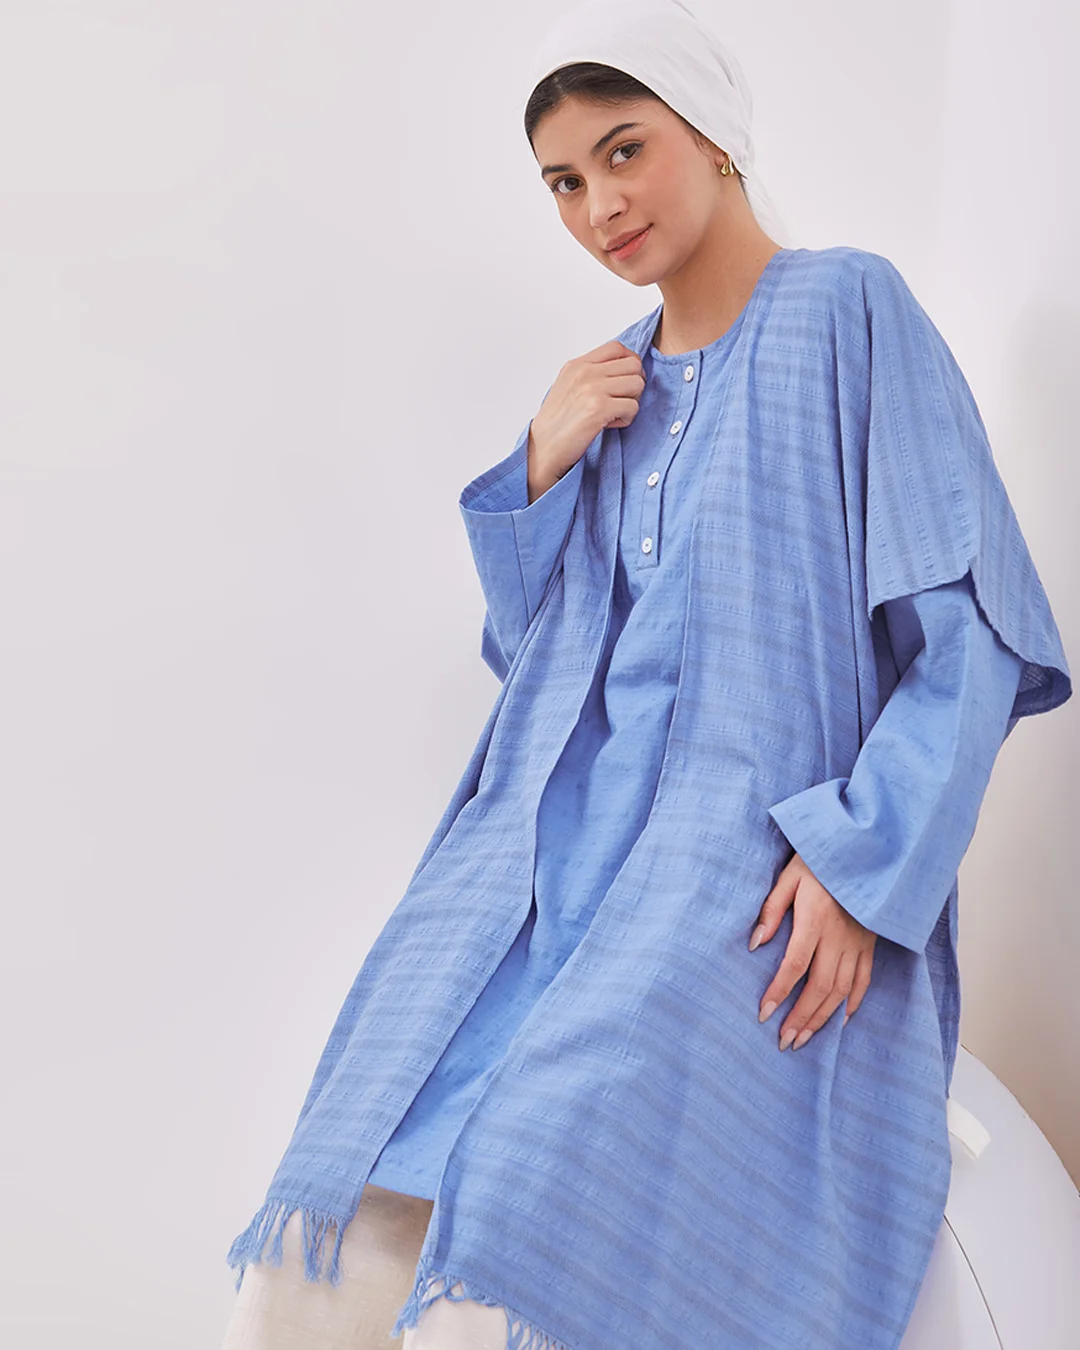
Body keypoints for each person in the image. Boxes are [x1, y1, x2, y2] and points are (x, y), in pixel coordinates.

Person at [220, 3, 1072, 1348]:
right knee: (335, 1205)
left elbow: (968, 635)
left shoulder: (848, 310)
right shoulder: (611, 390)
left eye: (624, 151)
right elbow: (543, 673)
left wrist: (858, 865)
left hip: (734, 873)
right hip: (544, 865)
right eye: (564, 181)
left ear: (714, 137)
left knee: (532, 1200)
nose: (599, 205)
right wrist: (540, 465)